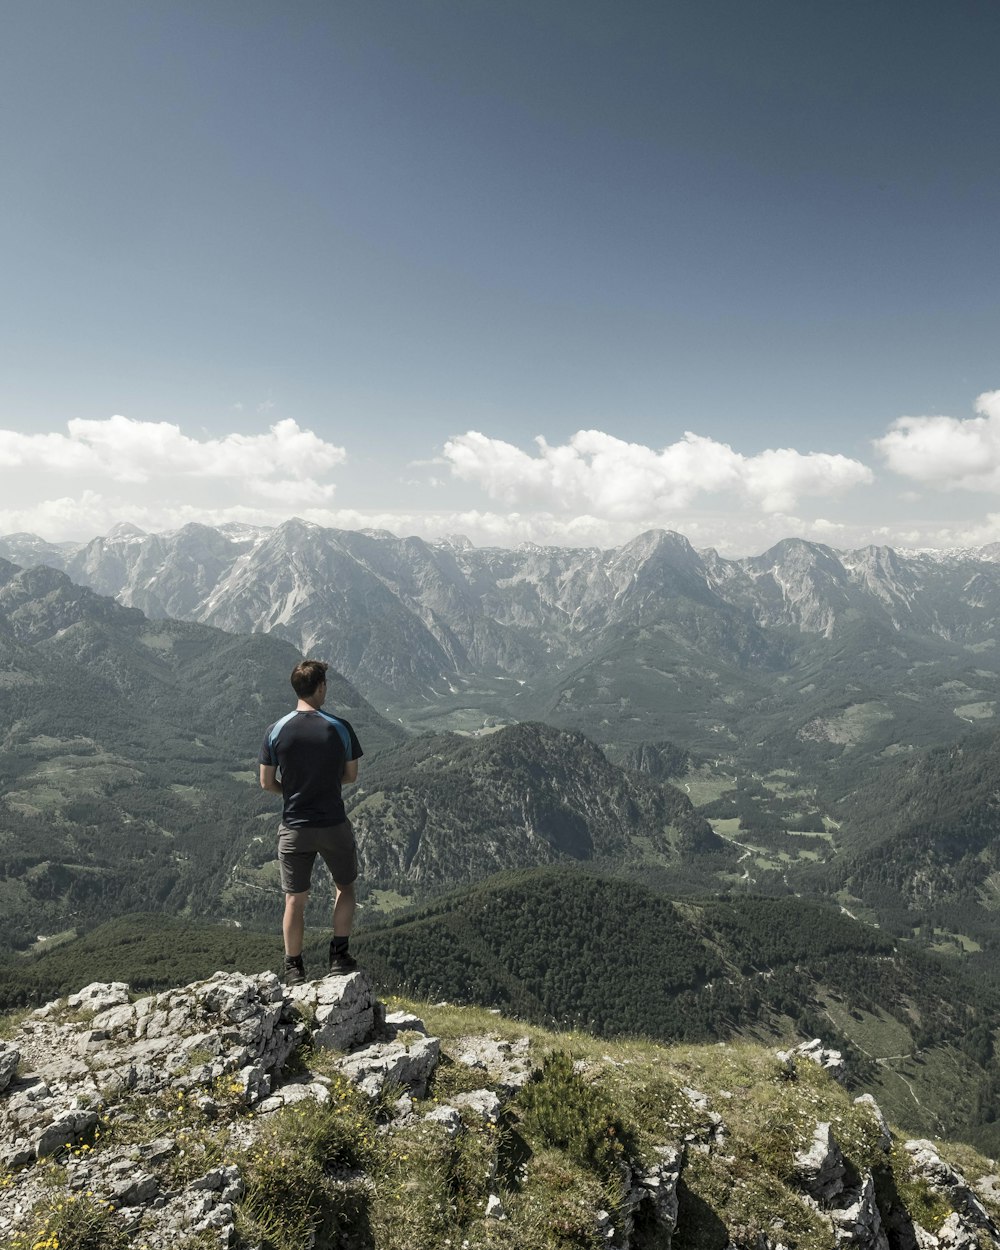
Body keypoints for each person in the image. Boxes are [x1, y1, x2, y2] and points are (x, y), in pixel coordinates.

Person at [259, 658, 363, 985]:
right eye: (325, 685)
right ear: (320, 687)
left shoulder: (276, 730)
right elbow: (350, 775)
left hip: (294, 826)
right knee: (344, 887)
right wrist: (324, 785)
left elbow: (266, 782)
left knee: (294, 899)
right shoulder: (339, 727)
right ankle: (339, 955)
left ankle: (293, 968)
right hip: (332, 822)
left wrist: (293, 792)